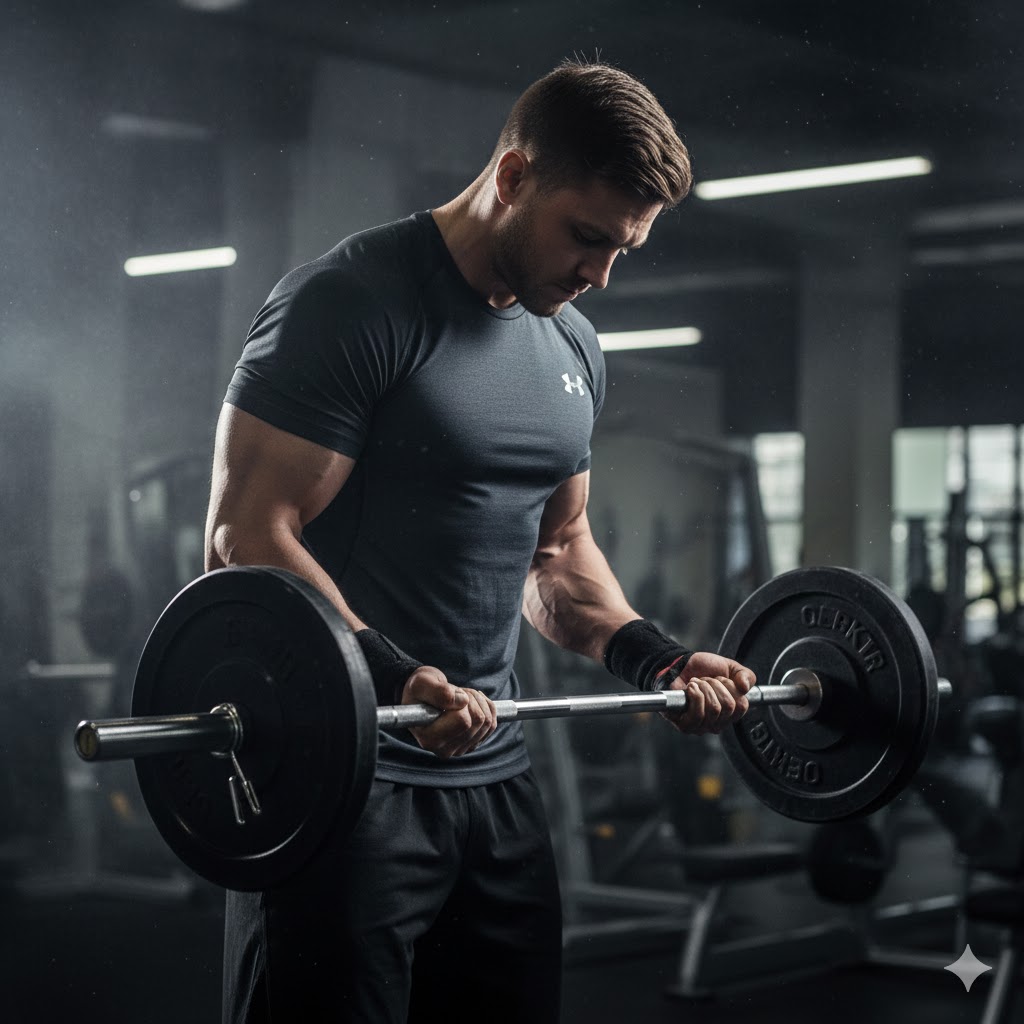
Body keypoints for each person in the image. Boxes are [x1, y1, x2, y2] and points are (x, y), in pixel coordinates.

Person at [205, 59, 756, 1024]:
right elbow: (245, 534)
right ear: (512, 176)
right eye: (587, 236)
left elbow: (560, 552)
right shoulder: (351, 302)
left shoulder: (572, 345)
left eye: (624, 249)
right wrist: (393, 677)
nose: (599, 274)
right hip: (347, 775)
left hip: (495, 780)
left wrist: (658, 660)